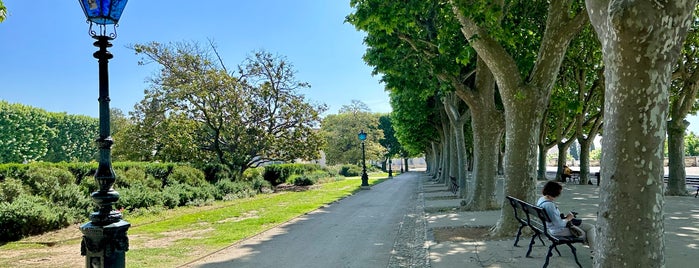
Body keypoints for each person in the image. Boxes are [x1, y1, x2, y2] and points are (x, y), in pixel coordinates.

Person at [537, 181, 596, 257]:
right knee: (587, 232)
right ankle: (594, 252)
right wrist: (568, 218)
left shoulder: (541, 199)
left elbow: (554, 218)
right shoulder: (549, 205)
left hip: (552, 227)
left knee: (590, 228)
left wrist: (565, 217)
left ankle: (594, 251)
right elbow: (559, 224)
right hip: (558, 230)